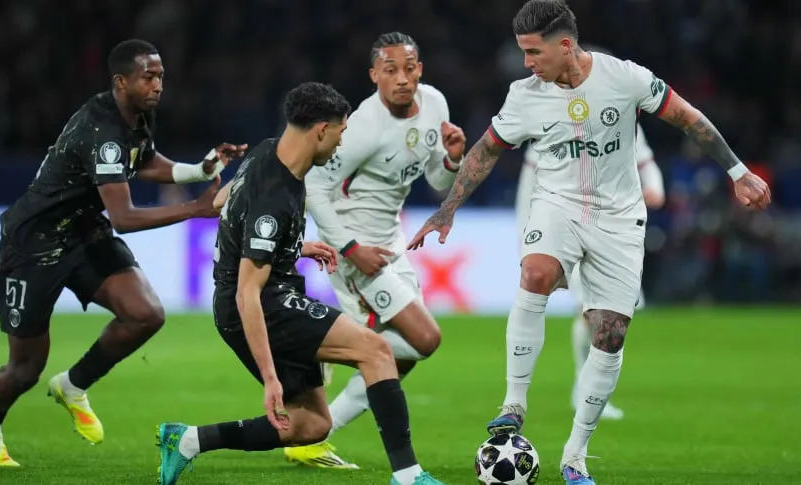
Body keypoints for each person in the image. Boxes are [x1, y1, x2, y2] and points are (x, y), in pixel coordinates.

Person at [407, 1, 771, 484]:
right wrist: (447, 208)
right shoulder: (525, 95)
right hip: (556, 203)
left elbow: (689, 118)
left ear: (565, 45)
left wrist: (738, 172)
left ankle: (575, 457)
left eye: (534, 52)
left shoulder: (625, 78)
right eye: (523, 53)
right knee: (535, 272)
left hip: (619, 217)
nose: (527, 63)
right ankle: (514, 403)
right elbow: (487, 150)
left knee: (610, 332)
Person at [0, 38, 246, 467]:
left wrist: (201, 168)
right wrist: (195, 208)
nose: (157, 85)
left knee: (146, 313)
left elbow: (146, 161)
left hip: (82, 233)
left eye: (160, 77)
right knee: (24, 369)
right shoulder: (104, 132)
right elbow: (124, 217)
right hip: (32, 246)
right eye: (148, 77)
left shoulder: (133, 116)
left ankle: (74, 385)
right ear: (121, 82)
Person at [155, 82, 444, 485]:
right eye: (341, 133)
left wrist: (294, 246)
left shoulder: (268, 152)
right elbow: (247, 291)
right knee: (376, 351)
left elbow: (223, 203)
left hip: (261, 296)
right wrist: (270, 377)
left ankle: (186, 441)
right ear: (321, 130)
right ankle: (409, 475)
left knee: (309, 425)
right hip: (262, 305)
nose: (341, 144)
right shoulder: (274, 196)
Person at [283, 31, 466, 470]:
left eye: (409, 68)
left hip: (391, 245)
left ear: (420, 69)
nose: (402, 78)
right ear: (374, 76)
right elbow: (314, 187)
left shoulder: (436, 104)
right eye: (390, 71)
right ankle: (312, 348)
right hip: (355, 249)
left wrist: (452, 160)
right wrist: (349, 248)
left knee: (399, 362)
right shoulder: (362, 126)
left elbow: (438, 182)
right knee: (424, 338)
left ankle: (310, 439)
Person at [516, 47, 666, 421]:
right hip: (568, 226)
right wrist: (529, 232)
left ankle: (584, 391)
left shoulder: (624, 116)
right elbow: (530, 182)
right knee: (592, 314)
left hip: (613, 229)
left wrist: (654, 187)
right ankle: (579, 391)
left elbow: (644, 160)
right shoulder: (556, 114)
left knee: (612, 315)